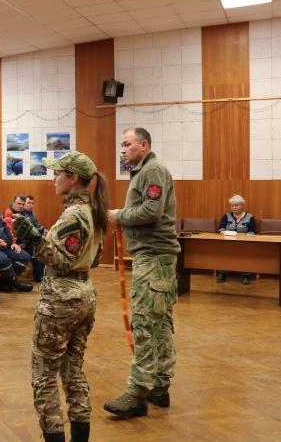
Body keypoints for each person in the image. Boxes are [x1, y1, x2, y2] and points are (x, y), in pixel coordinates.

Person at [31, 152, 108, 442]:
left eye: (58, 173)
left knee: (44, 375)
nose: (54, 179)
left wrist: (34, 240)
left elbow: (60, 260)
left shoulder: (74, 214)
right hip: (85, 295)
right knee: (73, 371)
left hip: (61, 299)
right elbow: (96, 258)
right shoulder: (94, 211)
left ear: (73, 178)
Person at [104, 127, 179, 418]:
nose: (122, 149)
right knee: (159, 324)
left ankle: (137, 393)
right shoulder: (143, 171)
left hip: (154, 256)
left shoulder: (153, 170)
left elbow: (151, 211)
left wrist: (118, 215)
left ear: (143, 145)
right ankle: (159, 387)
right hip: (157, 256)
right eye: (121, 145)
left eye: (127, 144)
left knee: (145, 323)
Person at [216, 195, 256, 284]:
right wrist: (224, 232)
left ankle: (246, 276)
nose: (234, 207)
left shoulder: (250, 217)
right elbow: (220, 229)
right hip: (228, 242)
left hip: (244, 243)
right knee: (222, 251)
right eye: (232, 205)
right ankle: (222, 274)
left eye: (237, 205)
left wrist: (246, 236)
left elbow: (253, 231)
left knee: (246, 253)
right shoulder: (226, 216)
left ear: (242, 205)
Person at [22, 195, 48, 283]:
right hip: (26, 241)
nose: (31, 205)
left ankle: (45, 274)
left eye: (32, 203)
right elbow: (28, 230)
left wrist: (43, 229)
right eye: (28, 203)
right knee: (36, 248)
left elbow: (37, 226)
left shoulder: (33, 214)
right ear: (24, 203)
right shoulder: (22, 215)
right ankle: (39, 276)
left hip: (34, 238)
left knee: (45, 246)